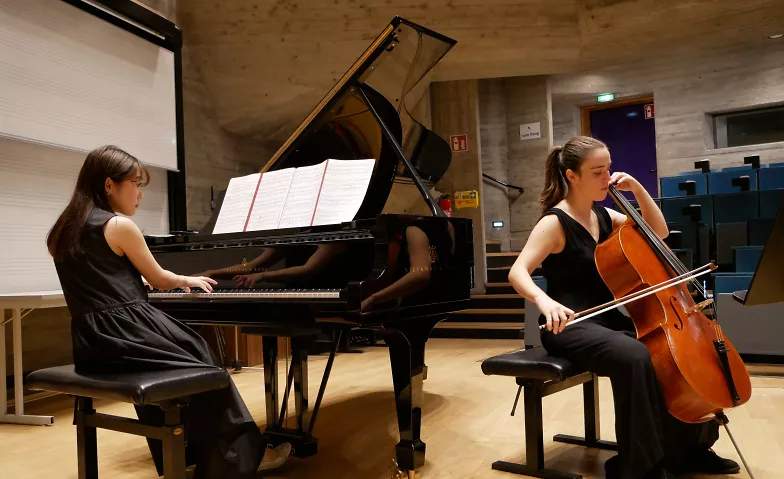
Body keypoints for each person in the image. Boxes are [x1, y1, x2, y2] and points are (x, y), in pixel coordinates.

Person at [46, 145, 291, 478]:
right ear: (108, 185)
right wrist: (188, 279)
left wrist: (131, 287)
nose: (141, 194)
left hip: (92, 343)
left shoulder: (62, 230)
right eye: (136, 183)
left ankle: (184, 455)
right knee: (202, 356)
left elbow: (98, 281)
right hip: (126, 332)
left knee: (189, 356)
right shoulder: (119, 225)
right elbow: (160, 280)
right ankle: (237, 458)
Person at [507, 136, 741, 479]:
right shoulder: (554, 223)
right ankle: (640, 467)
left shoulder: (604, 216)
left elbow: (657, 233)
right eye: (597, 171)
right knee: (633, 355)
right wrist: (544, 300)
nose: (607, 178)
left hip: (607, 320)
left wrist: (638, 190)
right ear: (572, 176)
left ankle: (689, 449)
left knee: (669, 355)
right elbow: (518, 271)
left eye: (609, 169)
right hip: (569, 325)